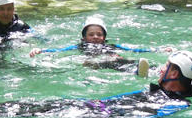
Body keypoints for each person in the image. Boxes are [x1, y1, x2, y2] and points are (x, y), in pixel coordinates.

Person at [0, 51, 192, 118]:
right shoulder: (178, 93)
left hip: (100, 113)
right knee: (45, 105)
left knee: (45, 110)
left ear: (174, 73)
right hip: (99, 106)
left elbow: (150, 114)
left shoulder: (174, 102)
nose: (161, 68)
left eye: (167, 66)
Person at [28, 17, 173, 77]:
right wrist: (41, 50)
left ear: (104, 37)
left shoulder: (110, 46)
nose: (96, 37)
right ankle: (137, 72)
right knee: (108, 62)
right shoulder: (80, 47)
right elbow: (60, 50)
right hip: (94, 64)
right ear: (84, 37)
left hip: (111, 60)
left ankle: (155, 70)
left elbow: (135, 49)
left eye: (99, 34)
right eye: (91, 34)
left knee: (122, 59)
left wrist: (159, 50)